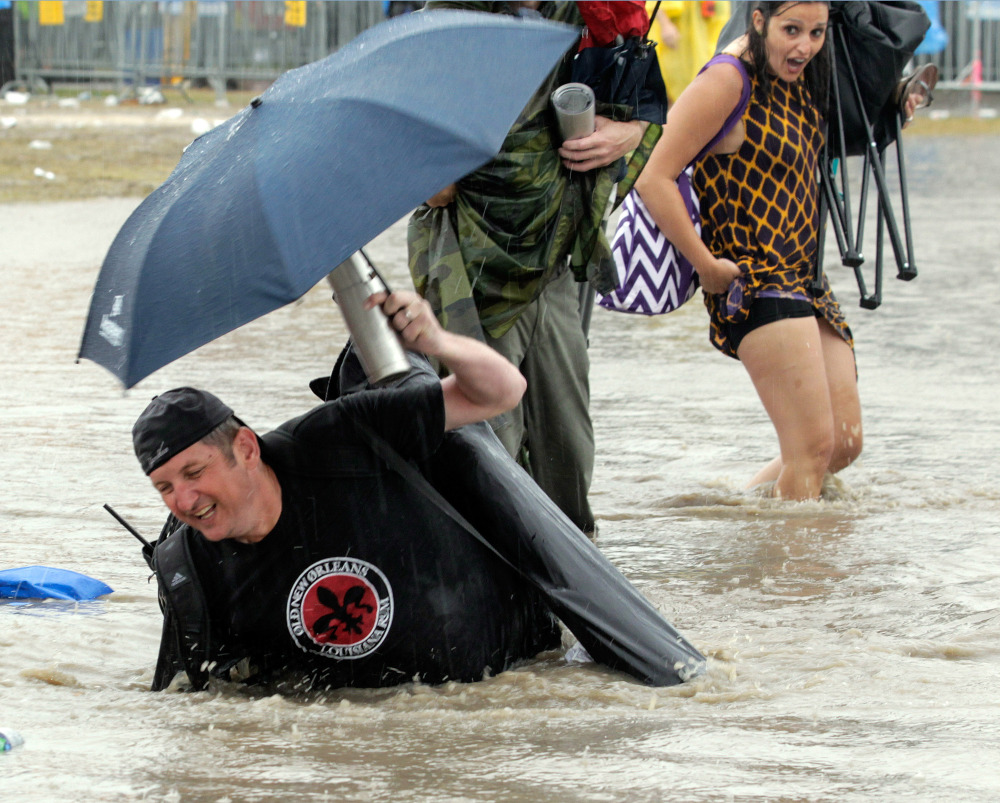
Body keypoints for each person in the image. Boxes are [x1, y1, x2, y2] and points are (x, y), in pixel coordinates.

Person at [132, 288, 706, 690]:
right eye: (163, 487)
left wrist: (438, 340)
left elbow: (499, 392)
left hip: (511, 662)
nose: (184, 501)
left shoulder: (341, 435)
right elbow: (203, 695)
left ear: (247, 449)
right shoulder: (195, 566)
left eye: (194, 472)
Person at [635, 1, 930, 501]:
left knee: (841, 443)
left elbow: (837, 138)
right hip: (752, 275)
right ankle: (797, 575)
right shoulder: (729, 78)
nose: (804, 47)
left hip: (805, 274)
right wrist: (705, 266)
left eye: (816, 33)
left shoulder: (810, 80)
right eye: (791, 30)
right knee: (811, 449)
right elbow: (653, 176)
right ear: (758, 20)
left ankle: (739, 513)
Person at [409, 1, 664, 538]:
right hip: (473, 264)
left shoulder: (598, 9)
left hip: (559, 258)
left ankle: (568, 587)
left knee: (567, 445)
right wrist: (442, 167)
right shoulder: (451, 20)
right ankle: (489, 579)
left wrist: (627, 132)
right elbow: (425, 167)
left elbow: (647, 104)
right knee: (486, 443)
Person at [648, 1, 732, 103]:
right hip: (679, 41)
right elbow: (653, 4)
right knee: (672, 90)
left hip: (704, 41)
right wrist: (665, 24)